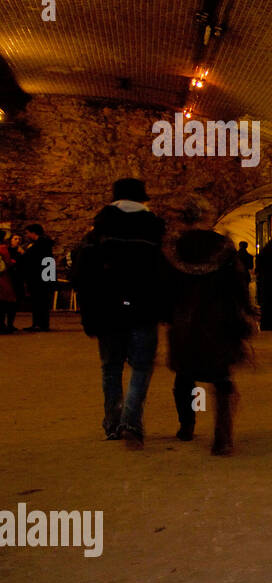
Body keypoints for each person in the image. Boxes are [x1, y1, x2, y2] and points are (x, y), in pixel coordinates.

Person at [72, 178, 167, 448]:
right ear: (142, 198)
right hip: (144, 309)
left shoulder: (98, 231)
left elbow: (80, 275)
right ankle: (131, 421)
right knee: (142, 367)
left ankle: (113, 424)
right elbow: (163, 273)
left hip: (107, 311)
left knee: (111, 369)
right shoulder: (154, 230)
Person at [165, 208, 257, 455]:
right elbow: (239, 284)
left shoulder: (173, 249)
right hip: (220, 321)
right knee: (222, 381)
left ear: (183, 219)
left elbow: (164, 288)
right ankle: (223, 437)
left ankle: (187, 425)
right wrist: (246, 311)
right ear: (206, 218)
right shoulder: (223, 248)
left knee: (185, 377)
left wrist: (167, 316)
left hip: (184, 323)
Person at [19, 224, 55, 331]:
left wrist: (23, 253)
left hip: (39, 277)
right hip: (45, 276)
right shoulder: (45, 244)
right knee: (41, 301)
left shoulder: (39, 245)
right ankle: (41, 323)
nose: (27, 235)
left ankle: (39, 324)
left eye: (27, 233)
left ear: (33, 233)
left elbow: (31, 259)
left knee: (38, 301)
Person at [0, 230, 17, 333]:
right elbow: (8, 263)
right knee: (6, 302)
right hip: (3, 277)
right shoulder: (3, 249)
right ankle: (5, 325)